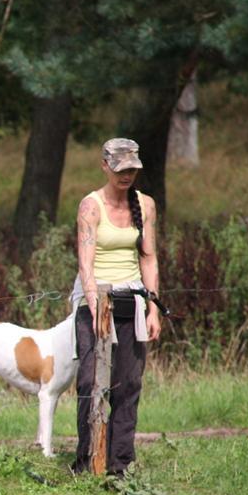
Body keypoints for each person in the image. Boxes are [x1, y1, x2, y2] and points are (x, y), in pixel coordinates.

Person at [71, 138, 162, 476]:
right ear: (105, 167)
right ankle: (86, 460)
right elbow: (86, 262)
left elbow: (149, 257)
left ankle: (119, 464)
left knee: (129, 383)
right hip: (95, 299)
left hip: (134, 299)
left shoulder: (146, 205)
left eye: (132, 170)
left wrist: (153, 307)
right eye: (120, 169)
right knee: (90, 381)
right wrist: (95, 305)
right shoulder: (90, 206)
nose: (127, 176)